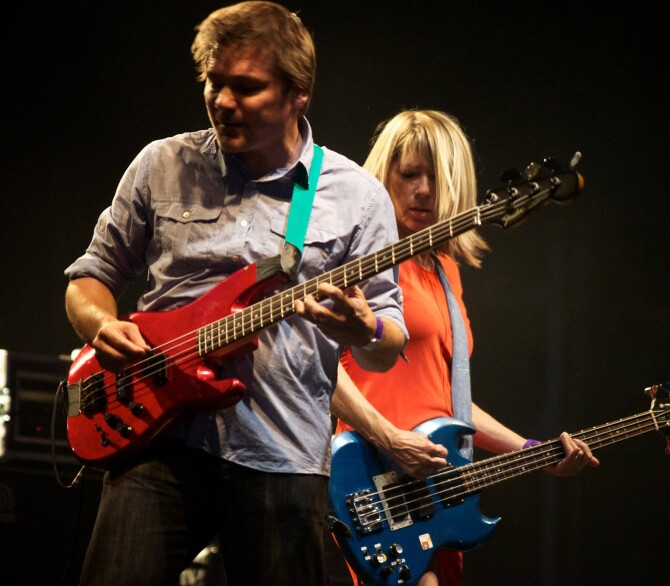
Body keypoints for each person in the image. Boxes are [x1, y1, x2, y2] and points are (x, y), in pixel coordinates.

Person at [63, 2, 408, 584]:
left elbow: (387, 341)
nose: (223, 101)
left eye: (245, 87)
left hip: (283, 456)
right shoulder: (161, 164)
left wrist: (362, 329)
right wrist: (100, 323)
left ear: (299, 93)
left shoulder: (358, 198)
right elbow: (89, 276)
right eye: (213, 82)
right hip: (158, 441)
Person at [329, 109, 600, 586]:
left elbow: (449, 402)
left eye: (437, 177)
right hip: (373, 494)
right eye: (409, 174)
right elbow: (314, 367)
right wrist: (389, 439)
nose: (424, 190)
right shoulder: (360, 258)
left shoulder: (445, 272)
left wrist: (533, 450)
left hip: (433, 499)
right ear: (382, 176)